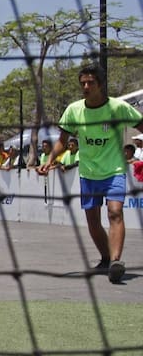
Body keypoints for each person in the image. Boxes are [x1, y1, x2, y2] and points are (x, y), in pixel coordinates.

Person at [38, 64, 143, 283]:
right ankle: (106, 259)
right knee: (93, 221)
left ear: (100, 85)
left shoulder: (118, 108)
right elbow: (62, 142)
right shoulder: (74, 110)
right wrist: (50, 160)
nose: (86, 86)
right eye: (83, 83)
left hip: (114, 171)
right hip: (88, 173)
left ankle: (116, 261)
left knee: (115, 213)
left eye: (90, 83)